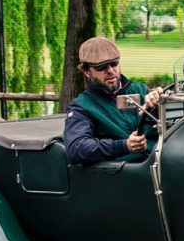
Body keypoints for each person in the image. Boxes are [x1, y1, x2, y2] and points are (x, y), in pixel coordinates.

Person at [64, 36, 161, 164]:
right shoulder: (81, 106)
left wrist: (160, 105)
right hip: (124, 171)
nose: (110, 71)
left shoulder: (141, 90)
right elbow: (76, 148)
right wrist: (124, 146)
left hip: (160, 162)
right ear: (86, 70)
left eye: (114, 64)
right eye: (101, 67)